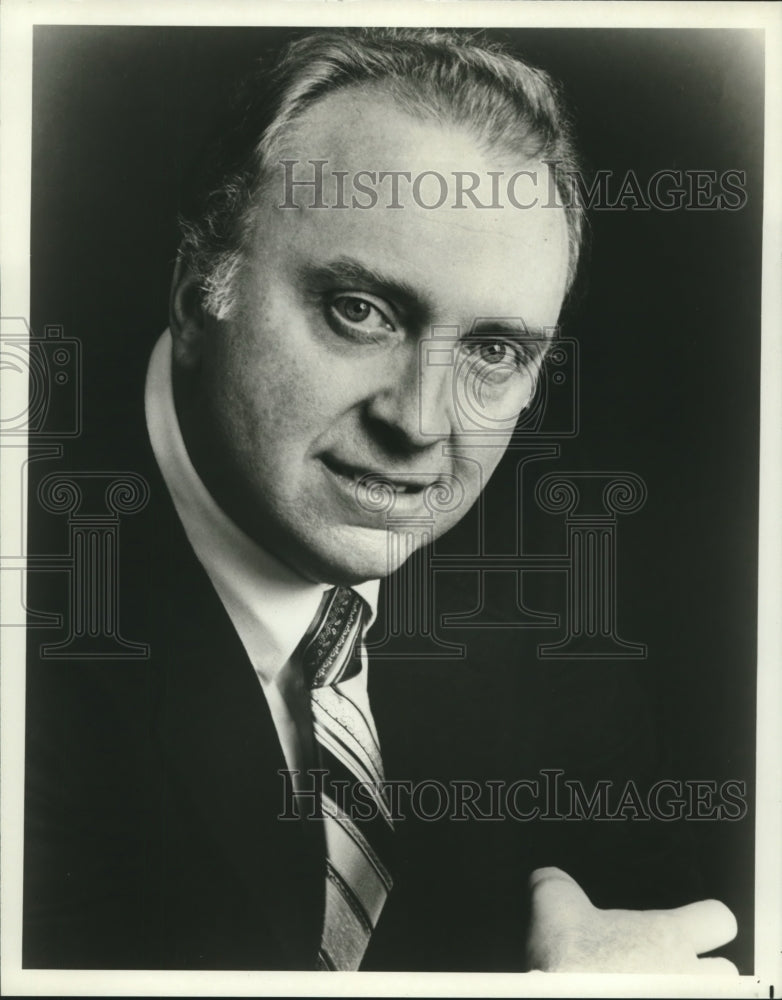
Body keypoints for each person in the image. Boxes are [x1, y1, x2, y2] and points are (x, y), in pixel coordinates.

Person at [23, 27, 738, 973]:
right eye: (361, 311)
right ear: (199, 296)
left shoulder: (561, 646)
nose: (421, 424)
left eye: (493, 351)